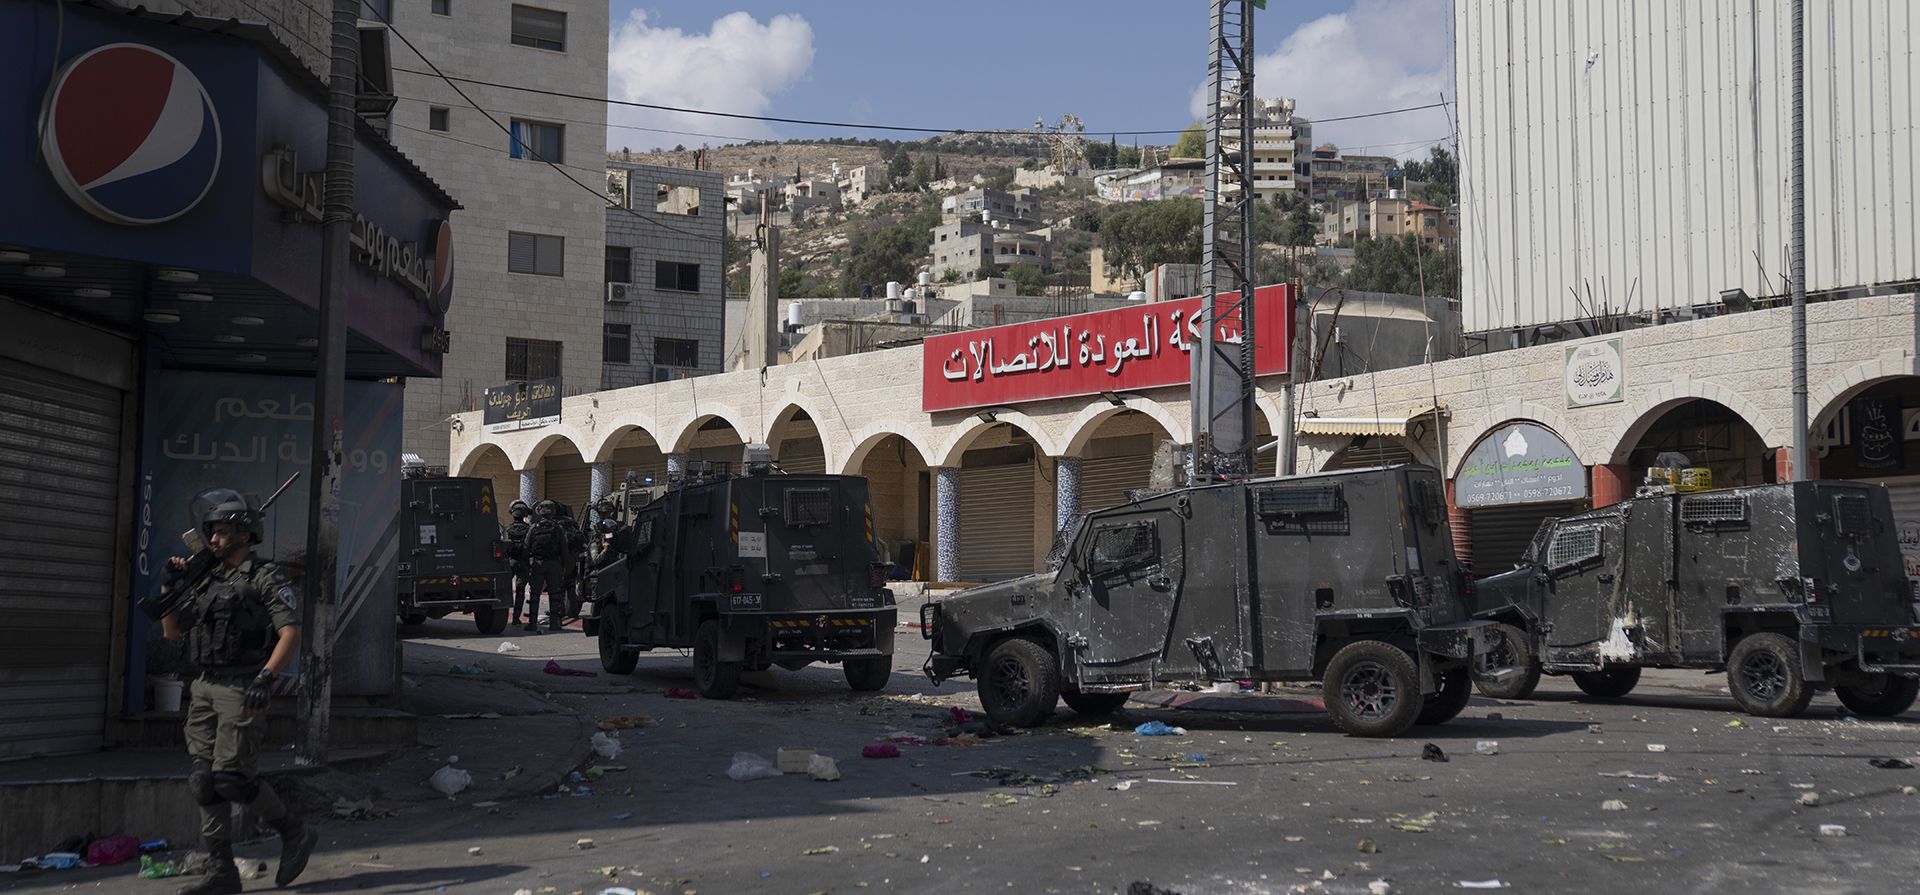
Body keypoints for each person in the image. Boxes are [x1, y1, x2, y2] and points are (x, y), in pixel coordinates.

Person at [158, 489, 317, 894]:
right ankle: (221, 870)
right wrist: (169, 587)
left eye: (222, 532)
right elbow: (172, 631)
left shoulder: (264, 576)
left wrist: (266, 678)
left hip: (241, 686)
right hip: (205, 684)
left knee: (232, 779)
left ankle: (293, 831)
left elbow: (290, 633)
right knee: (203, 781)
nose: (213, 540)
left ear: (245, 535)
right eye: (211, 532)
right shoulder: (208, 579)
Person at [521, 500, 567, 633]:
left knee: (535, 595)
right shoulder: (558, 528)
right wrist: (564, 566)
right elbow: (564, 549)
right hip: (554, 564)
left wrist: (527, 566)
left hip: (538, 564)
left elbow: (526, 547)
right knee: (554, 595)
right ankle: (554, 624)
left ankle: (532, 624)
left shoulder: (534, 527)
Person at [503, 500, 534, 627]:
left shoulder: (508, 529)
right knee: (520, 591)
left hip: (510, 562)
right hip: (524, 562)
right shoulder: (529, 529)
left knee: (504, 589)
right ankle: (516, 618)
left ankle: (503, 615)